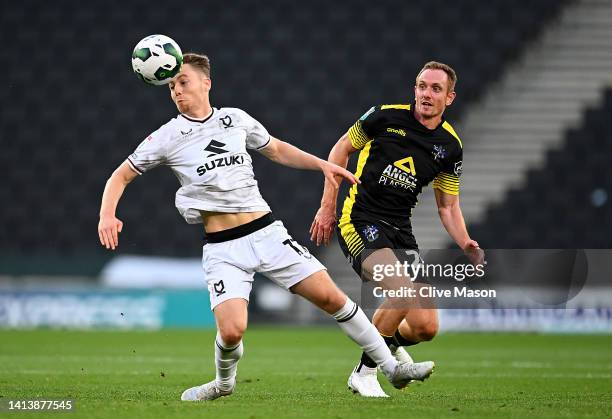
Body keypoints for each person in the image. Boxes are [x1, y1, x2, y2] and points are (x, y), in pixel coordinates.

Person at [98, 53, 435, 402]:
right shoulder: (167, 136)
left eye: (183, 81)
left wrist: (321, 165)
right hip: (223, 248)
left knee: (334, 298)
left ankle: (389, 368)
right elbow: (120, 176)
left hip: (267, 233)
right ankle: (223, 384)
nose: (176, 90)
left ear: (206, 83)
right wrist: (108, 214)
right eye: (171, 86)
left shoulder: (235, 119)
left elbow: (276, 149)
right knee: (232, 332)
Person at [310, 61, 484, 397]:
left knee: (425, 327)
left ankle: (387, 346)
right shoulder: (384, 117)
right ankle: (365, 373)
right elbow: (340, 149)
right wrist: (328, 205)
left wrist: (465, 242)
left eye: (435, 89)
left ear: (450, 98)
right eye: (421, 86)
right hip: (360, 219)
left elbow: (448, 206)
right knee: (401, 290)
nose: (426, 94)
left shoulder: (449, 147)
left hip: (400, 229)